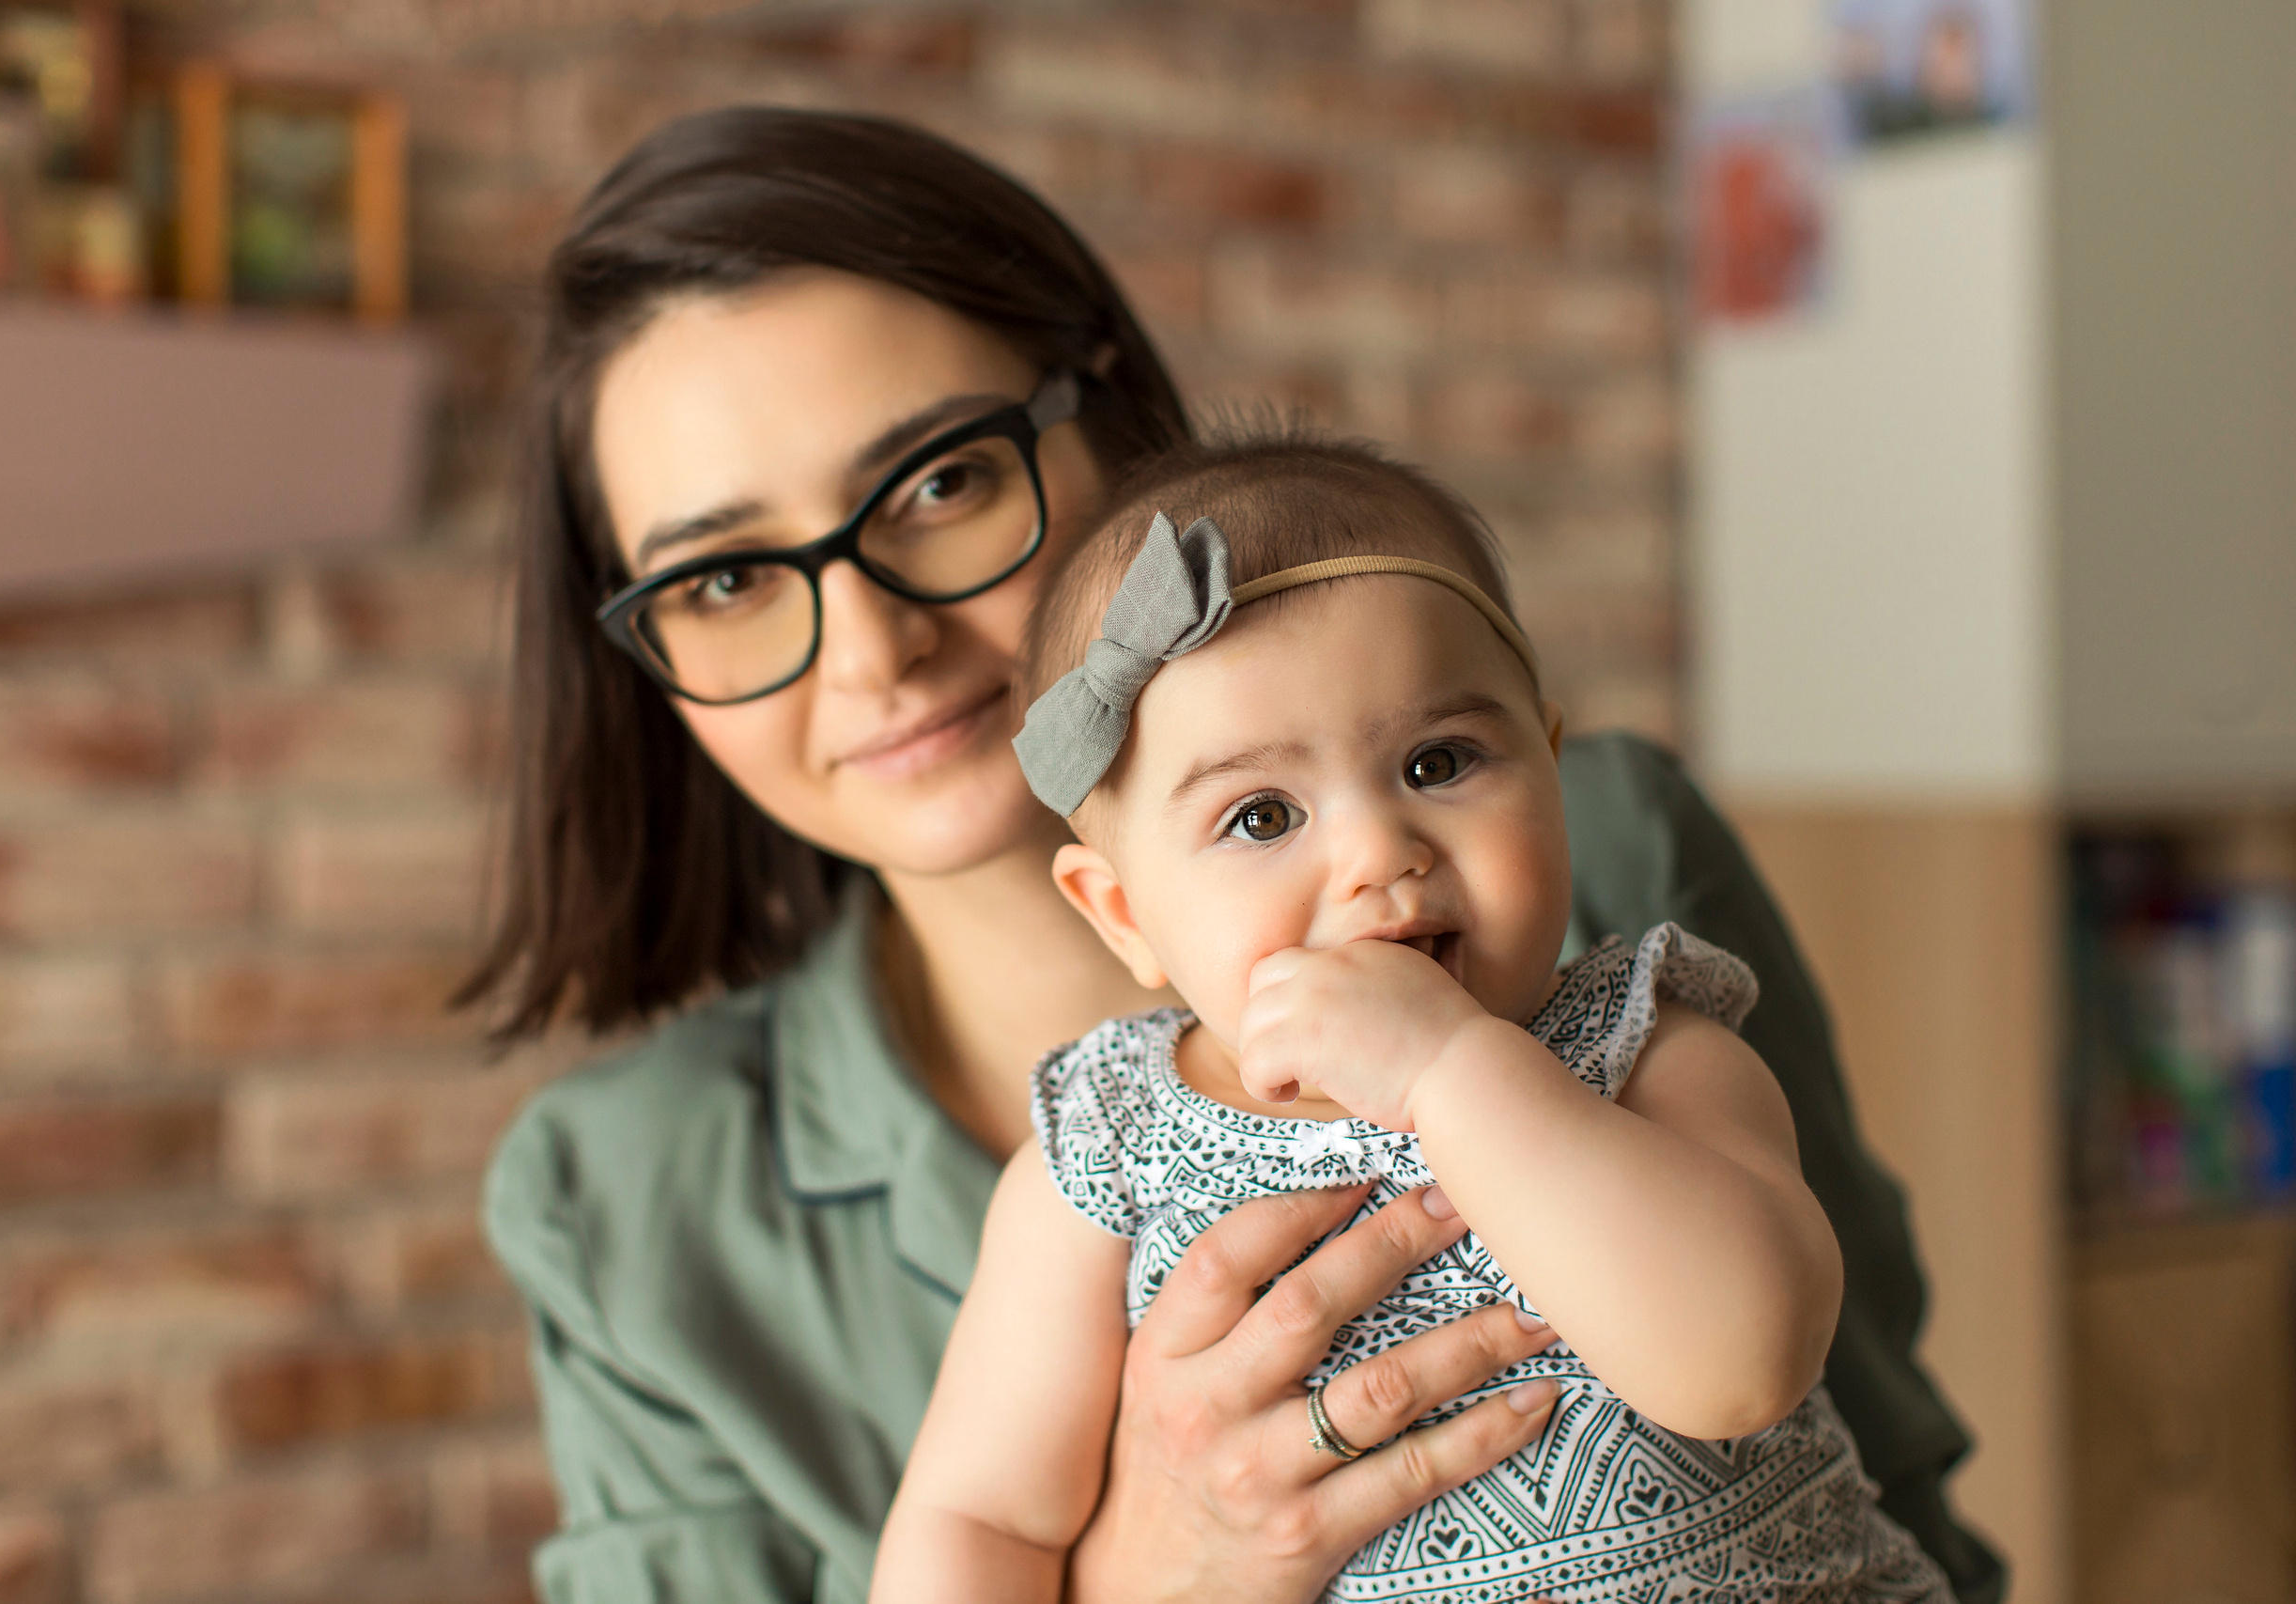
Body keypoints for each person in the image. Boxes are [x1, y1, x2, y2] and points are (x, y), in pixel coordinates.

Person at [472, 105, 2001, 1604]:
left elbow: (1847, 1446)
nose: (873, 647)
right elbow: (972, 1525)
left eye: (944, 483)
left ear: (1118, 429)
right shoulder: (653, 1204)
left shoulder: (1619, 922)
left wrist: (1461, 1078)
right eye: (726, 575)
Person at [874, 439, 1954, 1603]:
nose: (1380, 853)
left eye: (1439, 761)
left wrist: (1452, 1069)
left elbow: (1742, 1363)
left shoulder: (1649, 1045)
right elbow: (979, 1518)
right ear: (1123, 913)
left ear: (1547, 767)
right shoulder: (1101, 1150)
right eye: (1261, 816)